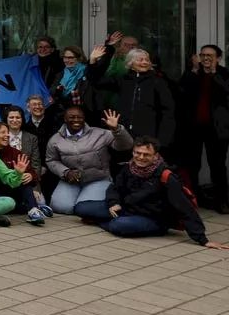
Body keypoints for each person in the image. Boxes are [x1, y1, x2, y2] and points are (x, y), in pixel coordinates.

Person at [77, 138, 229, 249]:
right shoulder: (128, 168)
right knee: (81, 207)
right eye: (137, 153)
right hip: (125, 208)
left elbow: (185, 207)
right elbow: (114, 188)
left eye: (146, 155)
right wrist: (113, 203)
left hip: (153, 218)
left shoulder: (166, 176)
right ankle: (107, 219)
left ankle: (100, 221)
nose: (141, 158)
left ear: (155, 156)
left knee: (119, 226)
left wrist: (202, 239)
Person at [88, 34, 174, 150]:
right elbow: (96, 81)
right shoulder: (124, 80)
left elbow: (167, 112)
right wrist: (94, 61)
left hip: (149, 137)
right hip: (124, 135)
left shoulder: (158, 82)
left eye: (146, 60)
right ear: (130, 63)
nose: (144, 62)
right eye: (140, 60)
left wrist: (162, 141)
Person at [46, 107, 134, 215]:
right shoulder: (55, 139)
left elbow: (126, 145)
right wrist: (65, 172)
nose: (76, 120)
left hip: (98, 179)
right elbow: (51, 160)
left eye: (80, 117)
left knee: (85, 208)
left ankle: (84, 201)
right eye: (72, 117)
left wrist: (117, 129)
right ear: (65, 119)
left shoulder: (100, 133)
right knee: (61, 207)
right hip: (71, 181)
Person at [179, 45, 229, 213]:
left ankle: (221, 199)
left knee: (218, 165)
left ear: (219, 58)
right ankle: (193, 198)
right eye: (203, 55)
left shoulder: (224, 74)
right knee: (192, 164)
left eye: (210, 55)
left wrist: (213, 74)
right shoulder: (193, 73)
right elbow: (181, 93)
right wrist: (193, 71)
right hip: (193, 127)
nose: (206, 58)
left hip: (217, 128)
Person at [0, 121, 51, 225]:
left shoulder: (14, 152)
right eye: (3, 132)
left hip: (14, 188)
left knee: (23, 179)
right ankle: (34, 207)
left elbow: (31, 171)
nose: (7, 135)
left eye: (7, 132)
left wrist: (30, 175)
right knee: (12, 206)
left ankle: (34, 211)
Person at [49, 45, 91, 112]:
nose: (67, 60)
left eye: (70, 58)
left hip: (83, 112)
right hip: (63, 111)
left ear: (79, 58)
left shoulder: (87, 72)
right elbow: (51, 91)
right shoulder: (61, 73)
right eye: (65, 57)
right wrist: (57, 89)